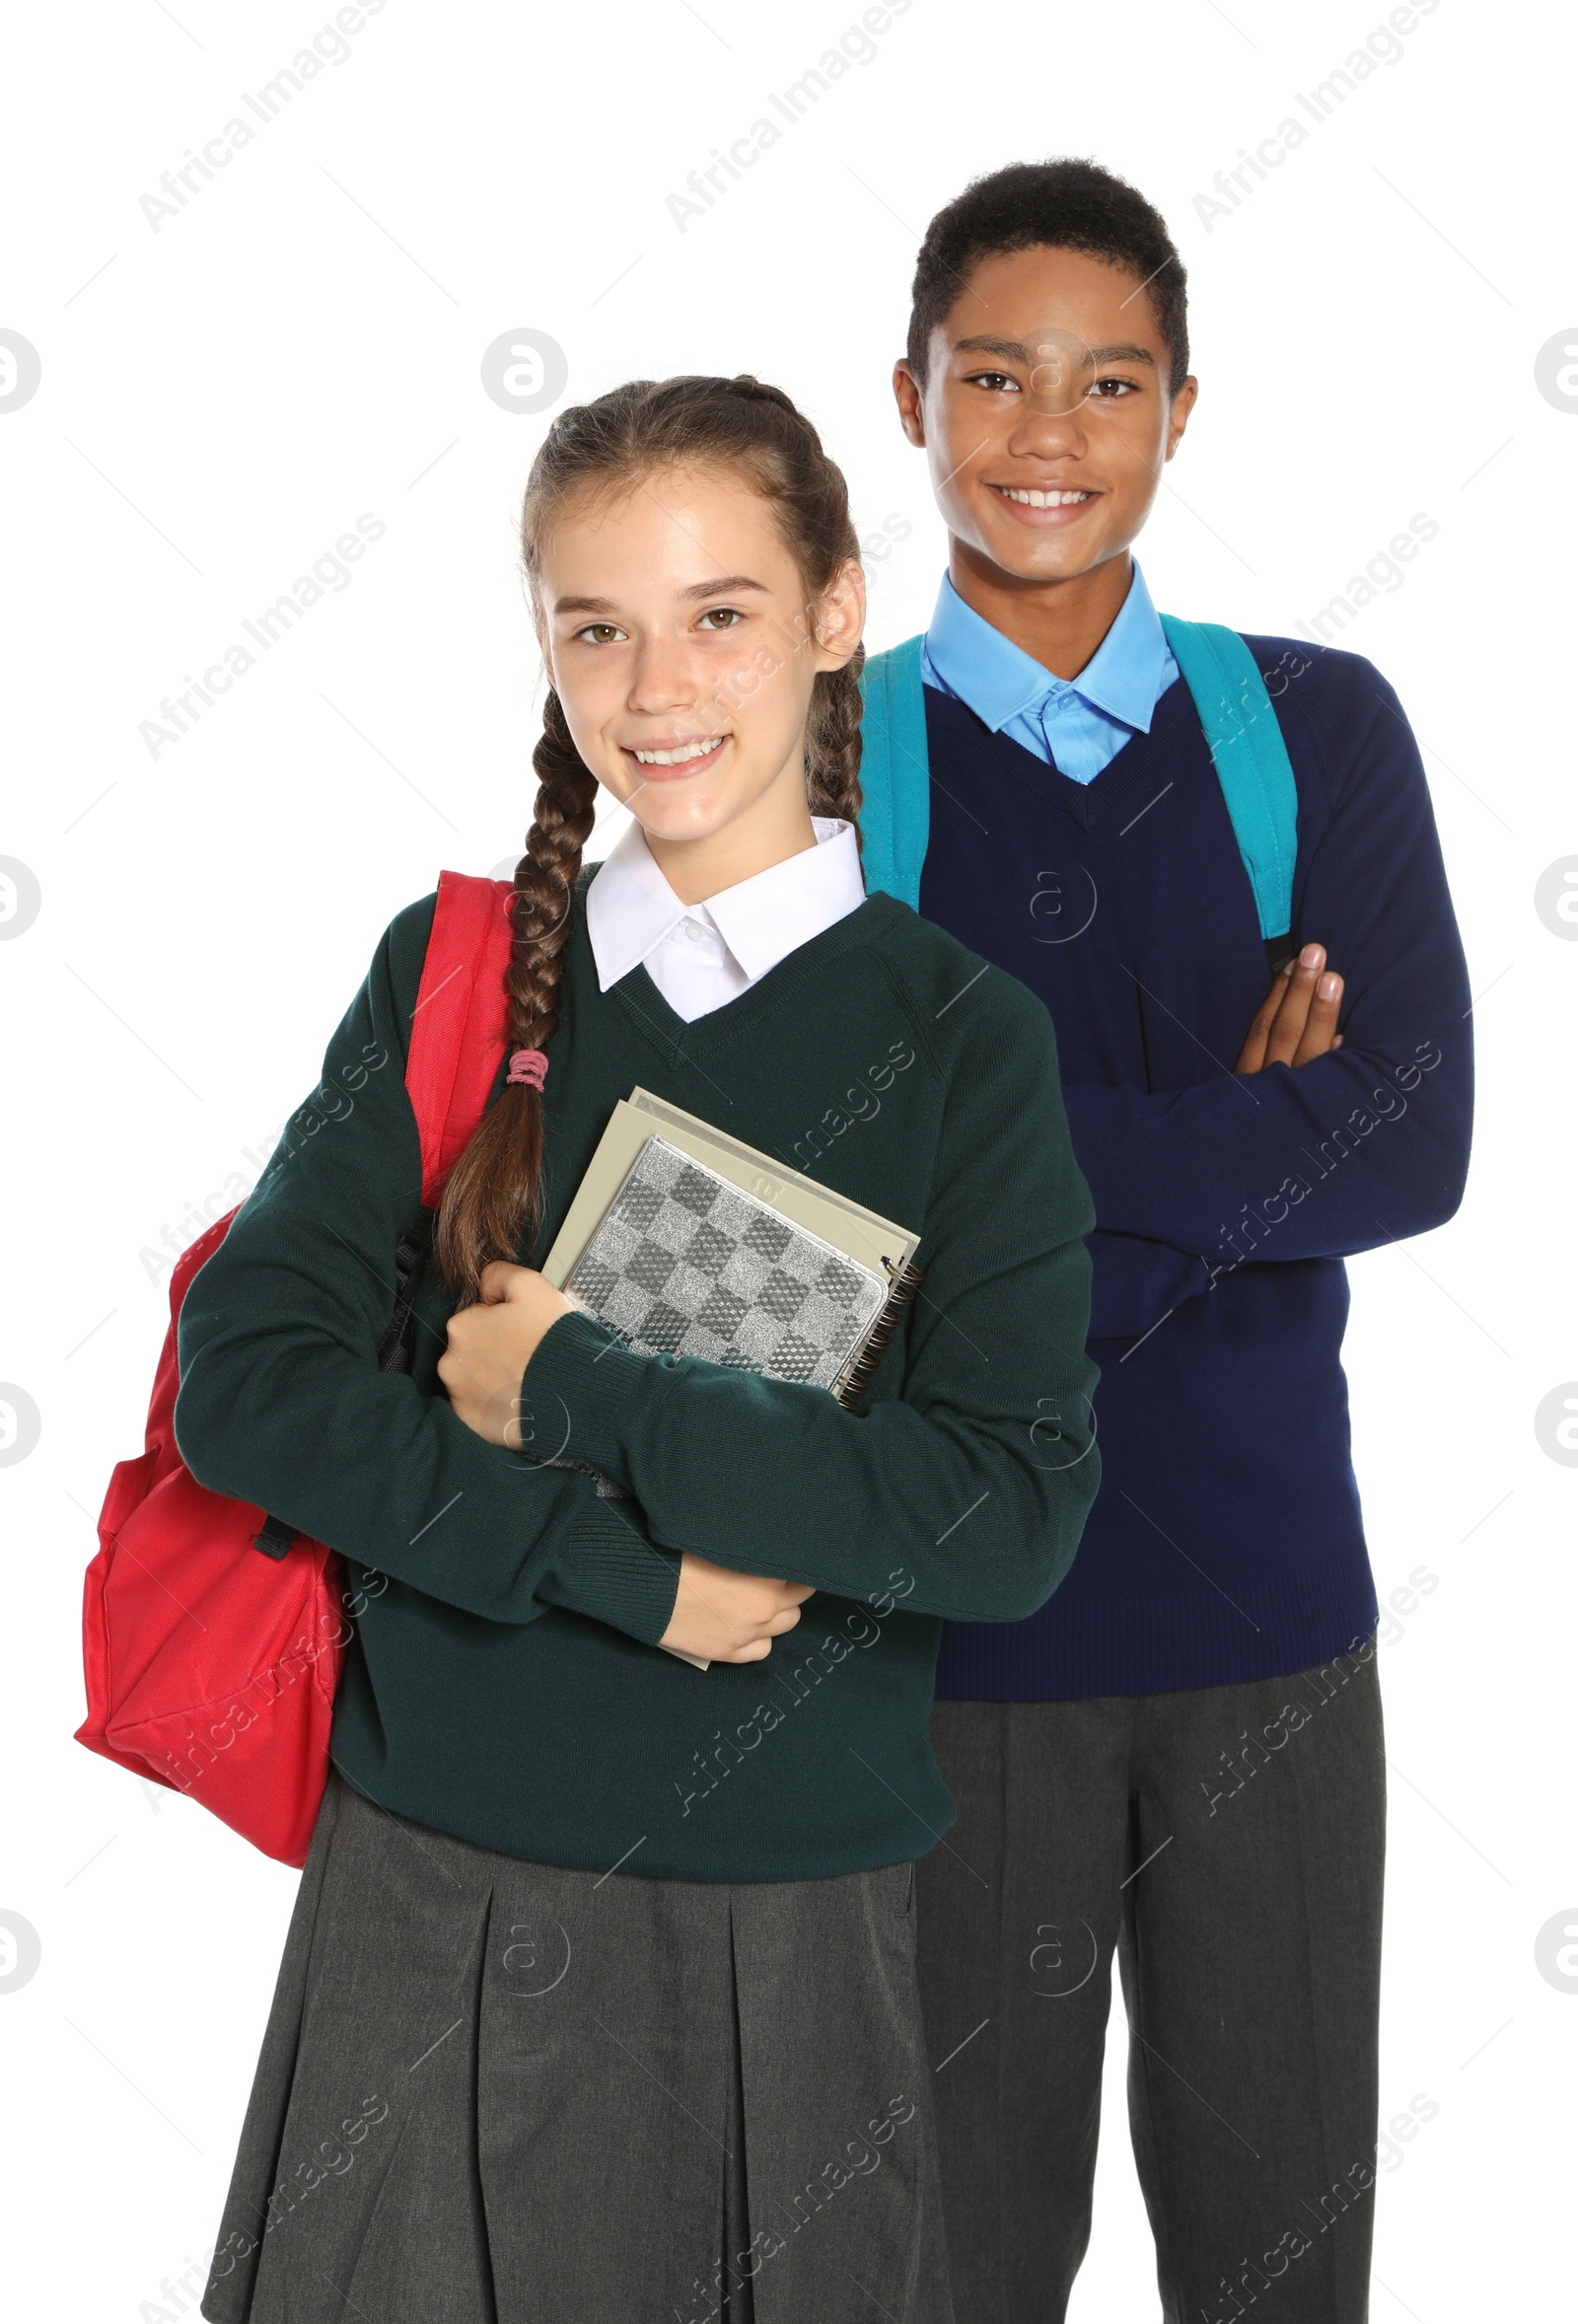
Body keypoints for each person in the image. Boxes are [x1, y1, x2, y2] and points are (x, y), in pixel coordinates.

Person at [177, 371, 1101, 2324]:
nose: (654, 684)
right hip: (425, 1892)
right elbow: (252, 1378)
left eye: (717, 612)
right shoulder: (448, 978)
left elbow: (1006, 1511)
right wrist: (622, 1568)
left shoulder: (961, 1040)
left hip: (792, 1918)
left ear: (837, 608)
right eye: (594, 624)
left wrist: (587, 1388)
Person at [856, 161, 1472, 2322]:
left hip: (1265, 1627)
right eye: (995, 376)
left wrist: (987, 1166)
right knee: (950, 2258)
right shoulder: (820, 761)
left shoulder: (1311, 727)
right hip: (938, 1629)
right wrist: (1223, 1134)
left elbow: (1407, 1145)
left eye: (1107, 381)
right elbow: (793, 1211)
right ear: (909, 393)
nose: (1048, 431)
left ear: (1180, 411)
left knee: (1278, 2253)